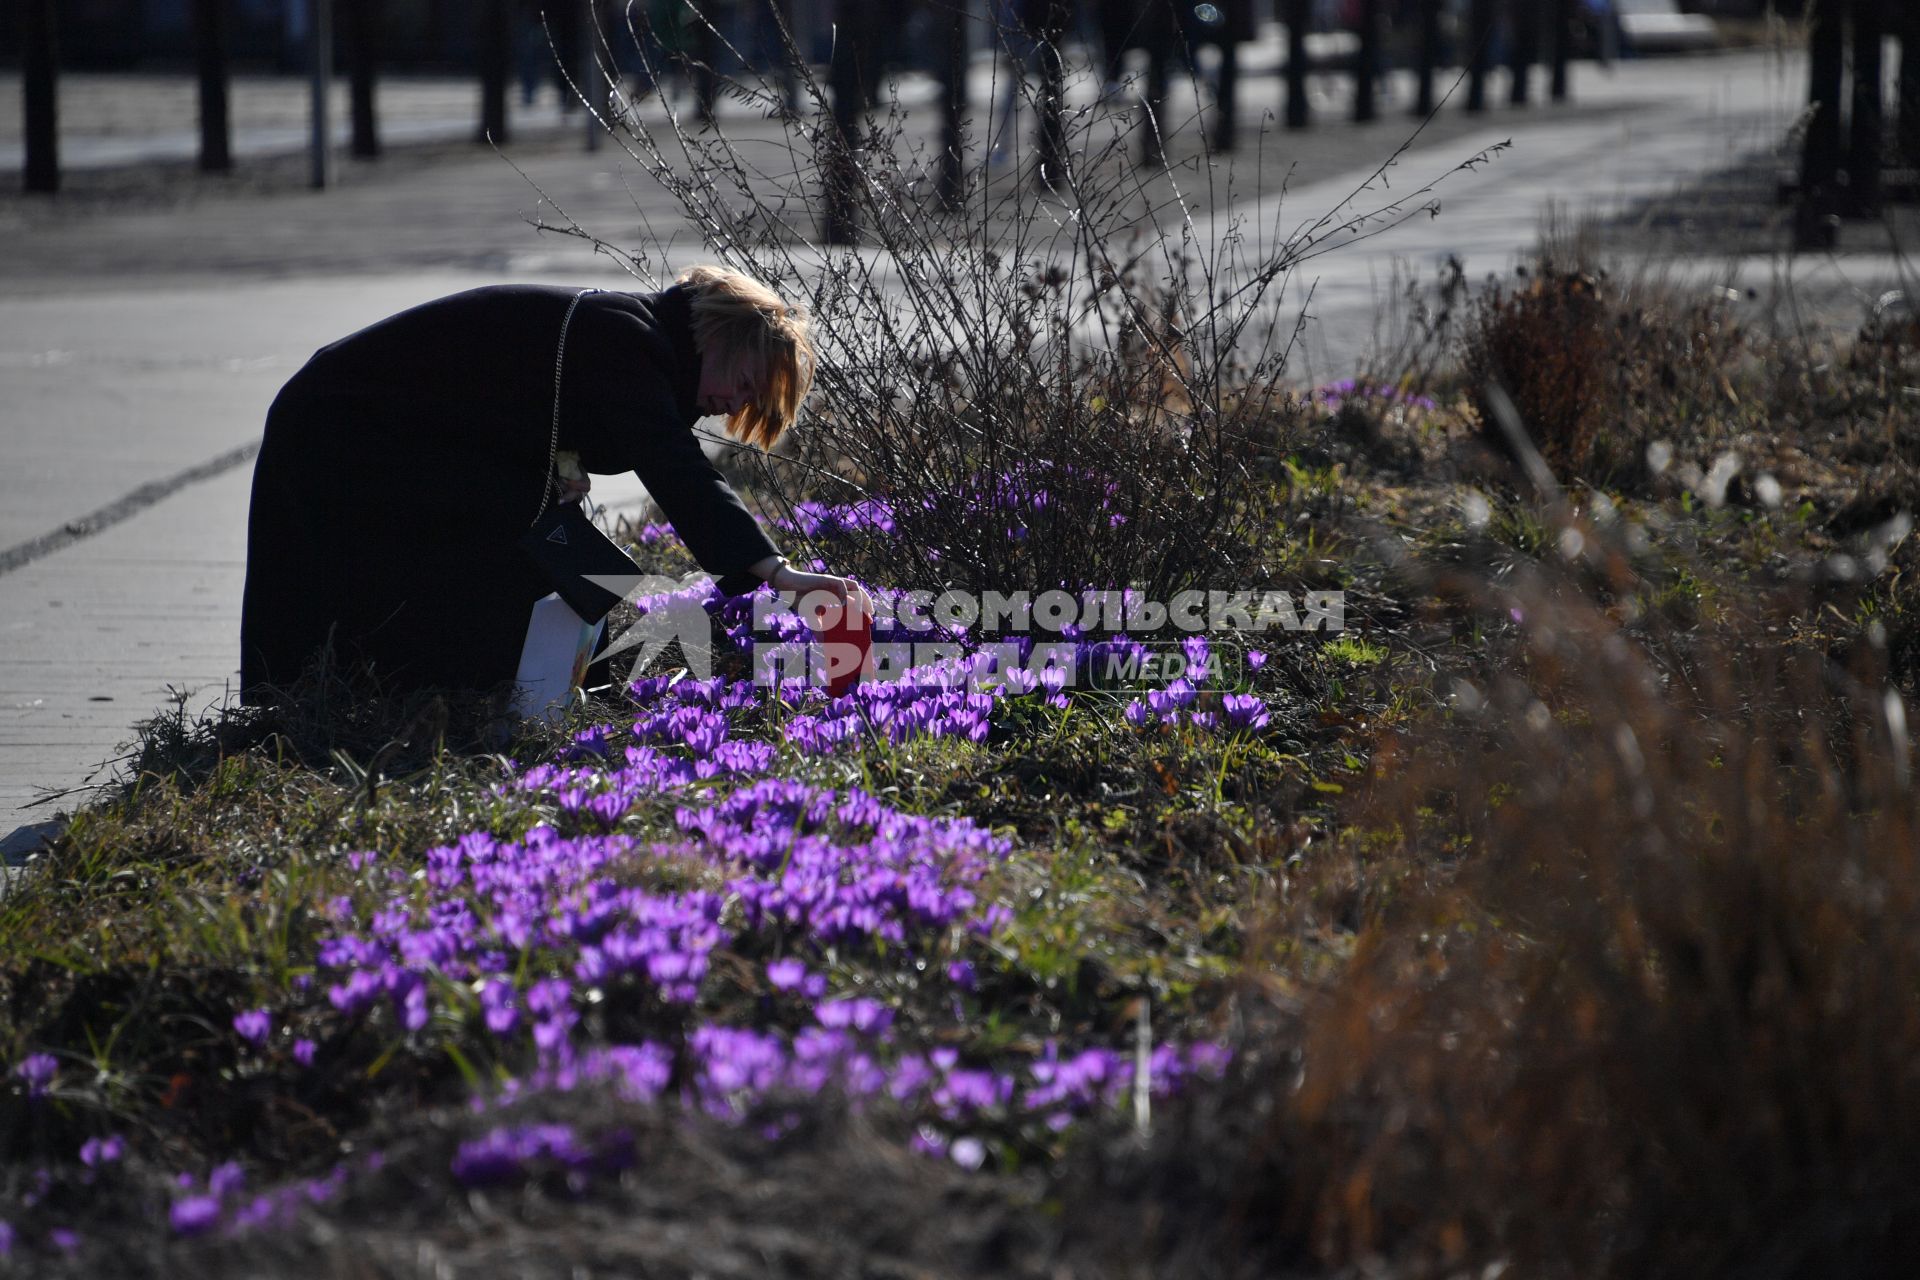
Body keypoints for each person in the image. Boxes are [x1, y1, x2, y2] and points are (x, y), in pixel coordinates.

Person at [239, 265, 862, 704]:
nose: (733, 405)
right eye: (746, 384)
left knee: (561, 565)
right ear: (724, 335)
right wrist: (777, 576)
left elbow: (520, 390)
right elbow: (678, 470)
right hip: (344, 421)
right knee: (462, 564)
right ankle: (362, 701)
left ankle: (457, 694)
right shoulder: (627, 337)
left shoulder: (632, 338)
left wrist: (564, 463)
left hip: (399, 431)